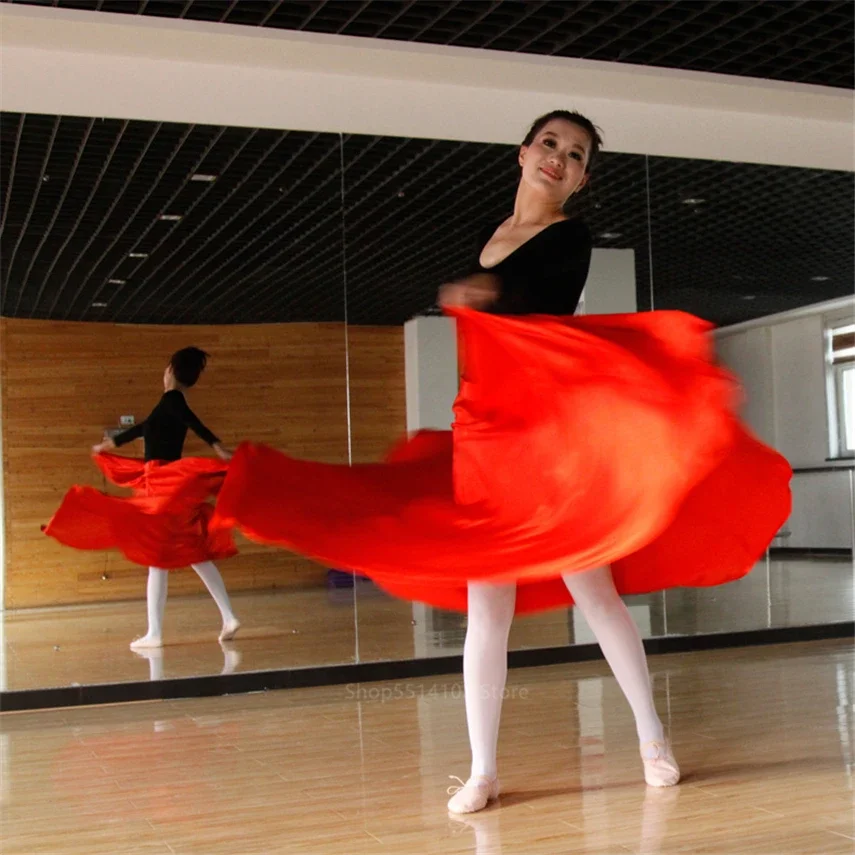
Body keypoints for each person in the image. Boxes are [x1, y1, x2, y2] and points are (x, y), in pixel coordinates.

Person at [211, 112, 791, 814]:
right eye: (549, 144)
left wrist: (485, 297)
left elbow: (537, 309)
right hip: (482, 437)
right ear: (523, 153)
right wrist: (478, 296)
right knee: (488, 608)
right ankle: (482, 769)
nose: (558, 158)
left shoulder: (568, 237)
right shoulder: (488, 236)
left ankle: (650, 737)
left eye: (574, 155)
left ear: (579, 178)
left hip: (546, 440)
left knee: (594, 593)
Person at [44, 347, 240, 649]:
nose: (164, 374)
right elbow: (144, 427)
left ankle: (156, 633)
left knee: (157, 558)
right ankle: (227, 616)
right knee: (192, 553)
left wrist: (217, 446)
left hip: (161, 485)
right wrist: (111, 442)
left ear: (172, 372)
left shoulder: (172, 400)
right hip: (166, 483)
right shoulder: (168, 405)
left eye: (166, 369)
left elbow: (191, 421)